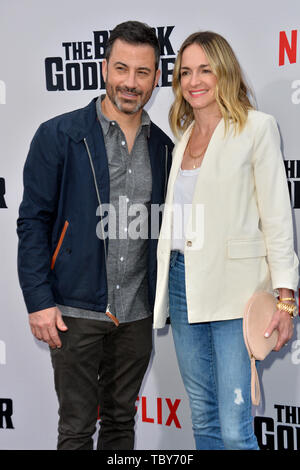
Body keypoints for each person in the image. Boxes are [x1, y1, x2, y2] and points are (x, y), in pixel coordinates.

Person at [17, 20, 173, 450]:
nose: (130, 82)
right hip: (74, 311)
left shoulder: (163, 148)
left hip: (137, 315)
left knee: (121, 426)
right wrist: (39, 301)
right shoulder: (60, 135)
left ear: (157, 78)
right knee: (76, 431)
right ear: (104, 68)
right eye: (121, 68)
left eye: (143, 72)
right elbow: (32, 222)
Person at [153, 31, 299, 450]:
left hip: (236, 290)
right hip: (184, 286)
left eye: (205, 70)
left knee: (235, 425)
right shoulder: (181, 141)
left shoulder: (256, 128)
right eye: (185, 72)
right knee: (203, 416)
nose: (194, 81)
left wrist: (285, 299)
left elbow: (276, 217)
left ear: (225, 73)